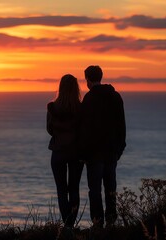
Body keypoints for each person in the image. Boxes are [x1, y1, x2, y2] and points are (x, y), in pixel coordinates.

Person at [79, 65, 126, 228]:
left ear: (88, 80)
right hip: (112, 151)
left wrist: (83, 153)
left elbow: (85, 128)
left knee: (95, 190)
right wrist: (120, 148)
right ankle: (112, 221)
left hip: (94, 153)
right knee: (110, 188)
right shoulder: (115, 96)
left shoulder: (89, 99)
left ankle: (98, 222)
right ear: (100, 77)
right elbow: (122, 125)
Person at [46, 74, 84, 227]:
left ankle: (67, 226)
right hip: (76, 153)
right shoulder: (81, 108)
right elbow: (84, 131)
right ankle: (71, 224)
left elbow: (49, 129)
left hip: (58, 152)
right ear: (76, 89)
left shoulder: (52, 107)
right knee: (74, 189)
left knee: (61, 190)